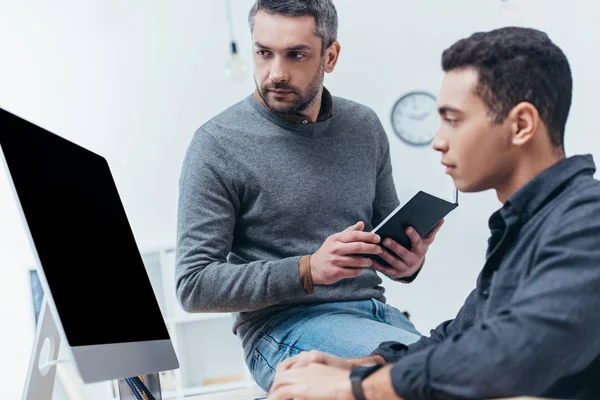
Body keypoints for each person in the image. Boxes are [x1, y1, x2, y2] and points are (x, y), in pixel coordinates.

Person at [267, 26, 600, 400]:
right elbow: (459, 335)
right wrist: (365, 364)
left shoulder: (588, 220)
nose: (438, 141)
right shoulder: (523, 226)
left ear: (521, 125)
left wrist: (358, 389)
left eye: (453, 119)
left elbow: (514, 352)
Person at [175, 0, 443, 392]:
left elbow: (384, 242)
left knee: (475, 370)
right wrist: (307, 269)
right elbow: (193, 285)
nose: (275, 73)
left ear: (330, 56)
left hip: (377, 315)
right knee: (426, 380)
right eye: (264, 53)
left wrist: (407, 263)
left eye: (296, 55)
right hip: (284, 328)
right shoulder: (217, 144)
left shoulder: (364, 127)